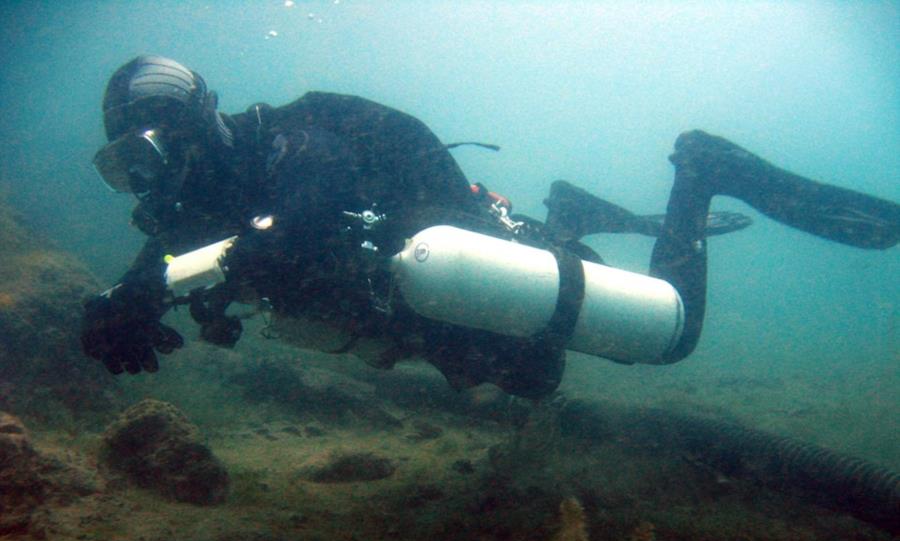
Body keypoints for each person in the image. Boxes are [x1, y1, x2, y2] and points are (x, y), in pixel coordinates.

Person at [82, 56, 899, 399]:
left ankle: (702, 168)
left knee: (665, 338)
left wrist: (161, 282)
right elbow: (168, 261)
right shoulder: (204, 206)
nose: (155, 174)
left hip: (461, 266)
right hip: (424, 312)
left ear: (204, 119)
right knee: (531, 384)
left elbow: (301, 208)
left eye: (160, 143)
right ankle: (572, 213)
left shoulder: (291, 139)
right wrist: (117, 300)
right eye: (129, 162)